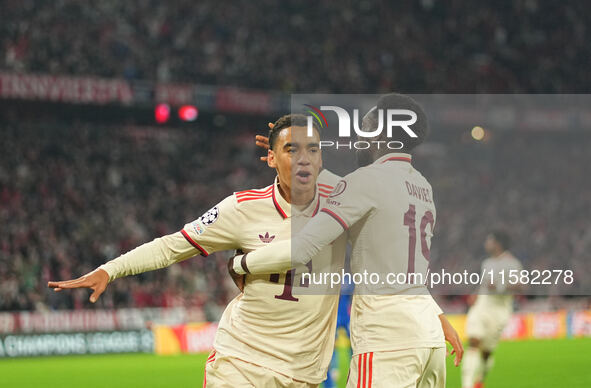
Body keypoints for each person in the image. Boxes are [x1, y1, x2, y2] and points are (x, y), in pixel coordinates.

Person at [48, 114, 347, 388]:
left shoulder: (347, 205)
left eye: (313, 150)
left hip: (305, 375)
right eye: (291, 150)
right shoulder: (242, 209)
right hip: (242, 365)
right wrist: (109, 270)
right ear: (270, 158)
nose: (303, 160)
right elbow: (172, 246)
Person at [230, 93, 463, 387]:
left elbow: (301, 249)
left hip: (387, 342)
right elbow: (406, 269)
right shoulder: (421, 187)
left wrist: (241, 263)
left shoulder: (366, 181)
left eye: (365, 127)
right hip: (428, 341)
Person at [462, 231, 522, 388]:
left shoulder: (512, 263)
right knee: (473, 340)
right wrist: (475, 294)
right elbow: (484, 285)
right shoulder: (486, 263)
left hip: (500, 310)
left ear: (497, 243)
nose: (486, 244)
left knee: (486, 352)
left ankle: (480, 379)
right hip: (482, 305)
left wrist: (500, 286)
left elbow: (521, 285)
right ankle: (467, 385)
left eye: (489, 241)